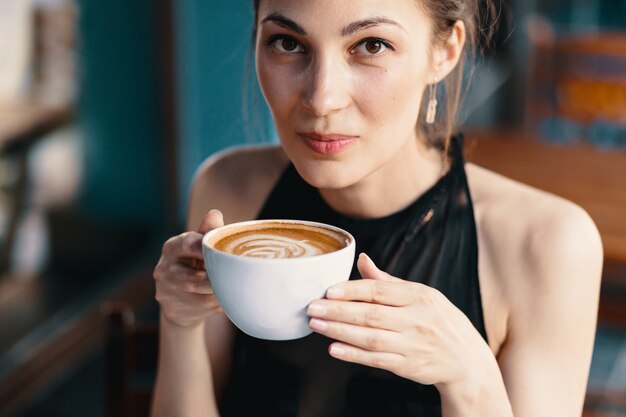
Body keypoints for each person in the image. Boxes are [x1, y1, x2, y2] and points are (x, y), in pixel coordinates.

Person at [151, 0, 603, 416]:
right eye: (288, 43)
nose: (321, 98)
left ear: (443, 53)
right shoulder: (228, 191)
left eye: (372, 45)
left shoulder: (547, 244)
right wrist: (180, 322)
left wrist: (472, 379)